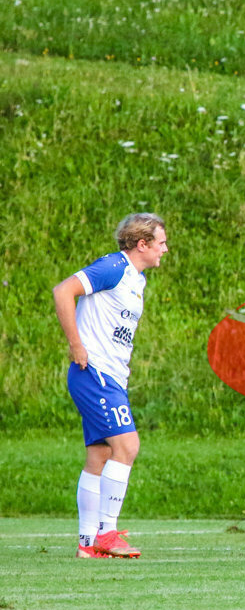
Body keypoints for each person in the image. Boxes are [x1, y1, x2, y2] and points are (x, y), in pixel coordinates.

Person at [52, 214, 169, 559]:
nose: (166, 248)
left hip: (110, 376)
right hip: (95, 373)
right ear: (142, 244)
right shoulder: (113, 267)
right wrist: (76, 345)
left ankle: (88, 544)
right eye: (161, 242)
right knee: (127, 446)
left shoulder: (137, 279)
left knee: (100, 454)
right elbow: (63, 291)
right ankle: (108, 533)